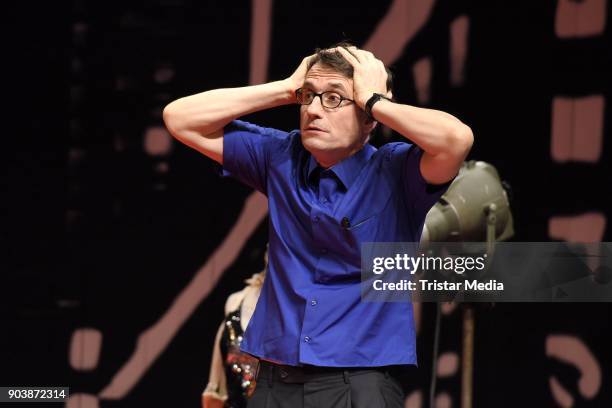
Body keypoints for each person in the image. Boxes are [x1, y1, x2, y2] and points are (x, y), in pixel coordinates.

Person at [164, 42, 473, 408]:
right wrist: (285, 88)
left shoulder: (397, 172)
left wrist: (376, 100)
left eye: (334, 99)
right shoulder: (280, 157)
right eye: (309, 96)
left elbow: (456, 140)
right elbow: (180, 118)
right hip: (273, 383)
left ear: (369, 116)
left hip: (358, 384)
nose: (313, 110)